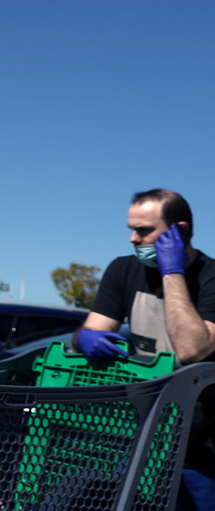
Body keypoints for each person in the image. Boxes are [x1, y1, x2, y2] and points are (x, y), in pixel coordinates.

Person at [74, 189, 215, 509]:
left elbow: (191, 350)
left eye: (144, 230)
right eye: (131, 230)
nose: (133, 239)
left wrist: (172, 272)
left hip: (201, 450)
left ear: (180, 231)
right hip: (143, 438)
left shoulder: (210, 277)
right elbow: (91, 328)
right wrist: (84, 339)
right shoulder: (122, 270)